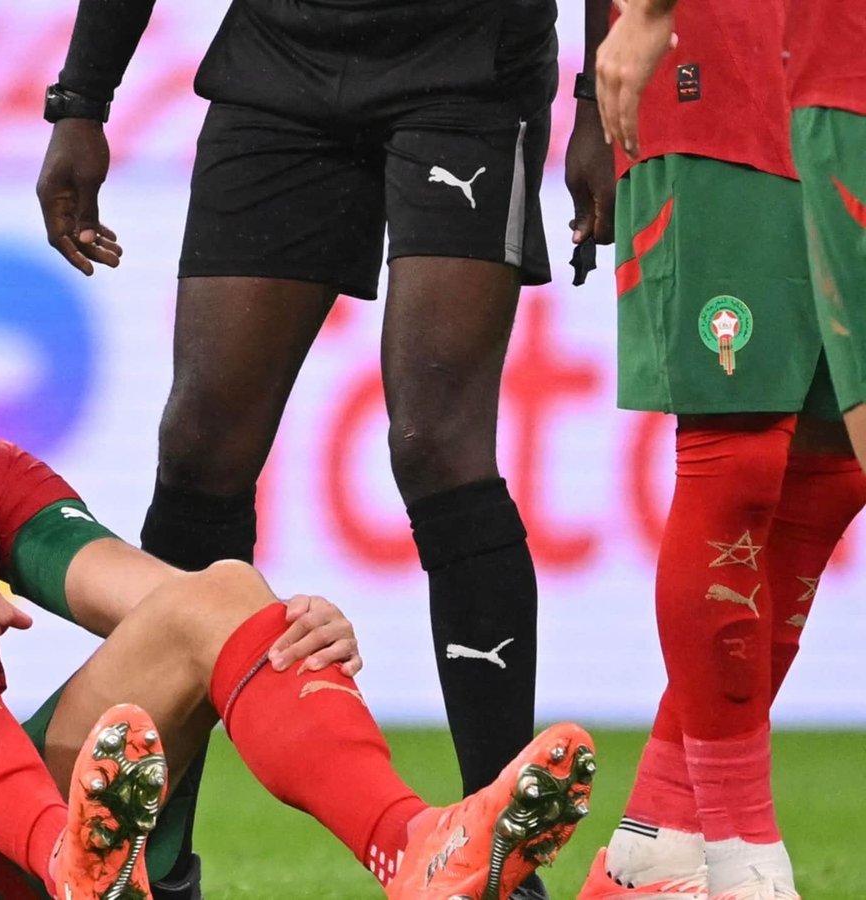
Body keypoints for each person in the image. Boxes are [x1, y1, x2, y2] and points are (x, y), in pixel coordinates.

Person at [0, 165, 597, 900]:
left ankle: (411, 847)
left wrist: (265, 632)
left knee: (221, 591)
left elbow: (156, 599)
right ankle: (70, 862)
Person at [33, 5, 596, 895]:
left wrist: (598, 102)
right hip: (279, 58)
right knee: (200, 447)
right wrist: (81, 102)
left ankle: (498, 872)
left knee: (436, 444)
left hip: (469, 65)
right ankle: (154, 862)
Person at [588, 1, 866, 897]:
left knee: (835, 466)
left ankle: (660, 832)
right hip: (720, 68)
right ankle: (743, 848)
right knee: (736, 455)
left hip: (839, 64)